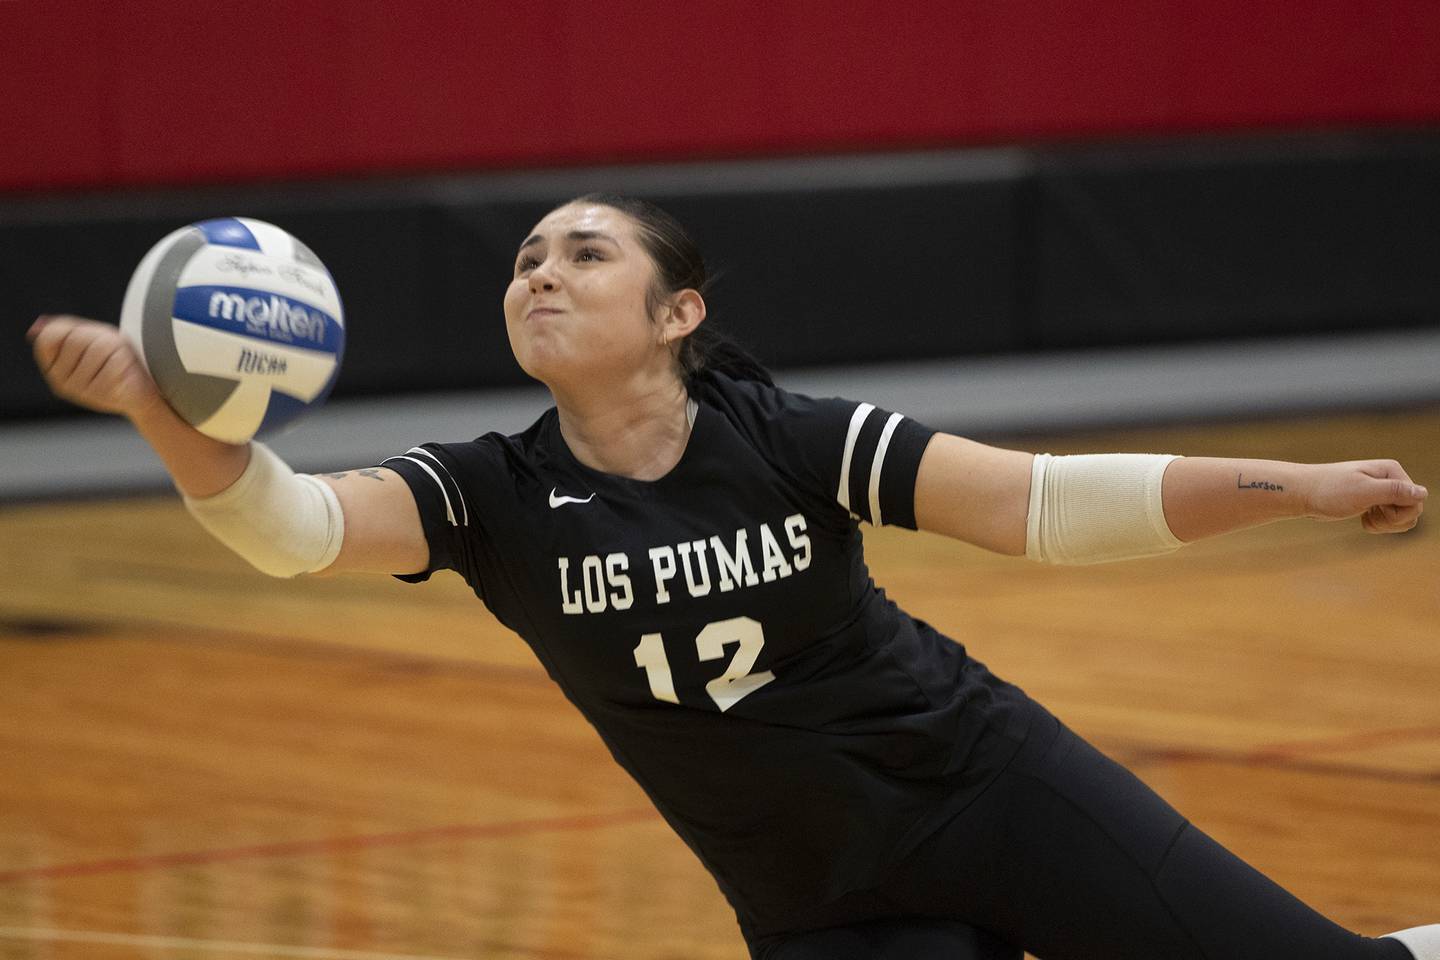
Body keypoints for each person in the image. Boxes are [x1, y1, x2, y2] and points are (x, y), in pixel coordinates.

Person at [28, 193, 1438, 960]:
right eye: (525, 258)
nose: (540, 272)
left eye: (585, 253)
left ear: (676, 313)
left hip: (986, 794)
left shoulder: (780, 434)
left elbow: (1044, 504)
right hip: (815, 897)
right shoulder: (491, 494)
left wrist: (1302, 487)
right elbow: (288, 527)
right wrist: (165, 409)